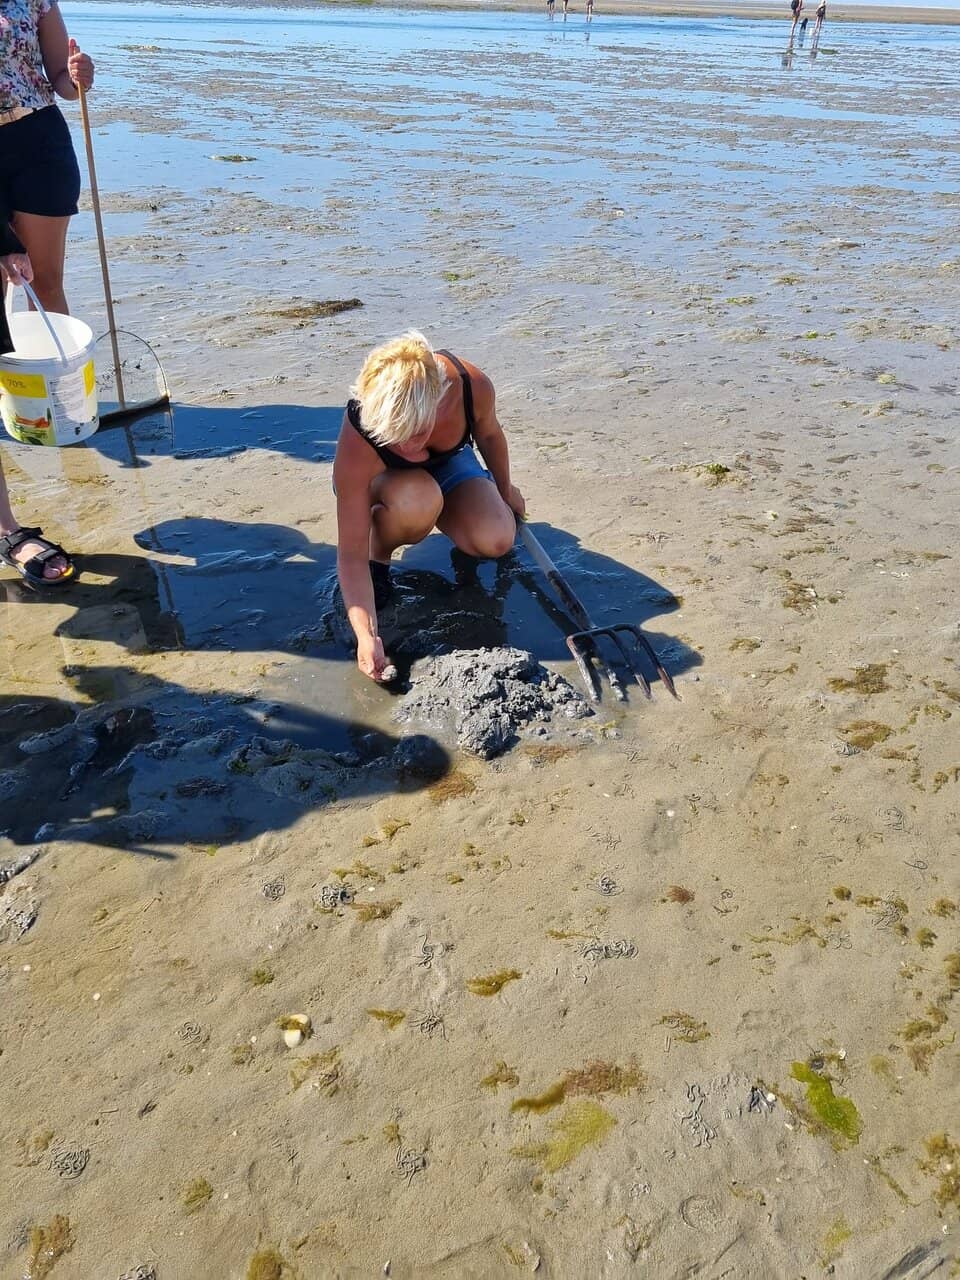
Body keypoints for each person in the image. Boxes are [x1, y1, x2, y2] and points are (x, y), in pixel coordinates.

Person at [333, 332, 525, 683]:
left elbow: (491, 436)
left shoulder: (470, 385)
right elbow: (348, 556)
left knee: (498, 539)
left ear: (439, 400)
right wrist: (366, 636)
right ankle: (382, 550)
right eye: (395, 435)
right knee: (418, 501)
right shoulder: (361, 432)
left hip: (451, 460)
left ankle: (456, 509)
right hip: (392, 482)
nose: (407, 446)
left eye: (417, 432)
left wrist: (505, 488)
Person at [0, 2, 94, 587]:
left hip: (37, 142)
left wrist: (78, 75)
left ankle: (48, 406)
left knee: (42, 283)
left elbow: (58, 77)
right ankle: (6, 528)